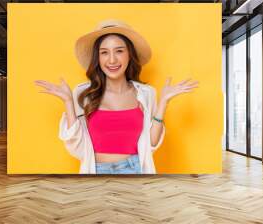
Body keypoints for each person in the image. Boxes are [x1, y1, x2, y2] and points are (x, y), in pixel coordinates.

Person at [34, 19, 198, 174]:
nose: (112, 60)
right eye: (104, 52)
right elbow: (75, 147)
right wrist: (68, 102)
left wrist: (163, 103)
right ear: (98, 58)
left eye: (119, 51)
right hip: (95, 171)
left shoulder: (146, 94)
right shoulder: (83, 95)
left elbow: (152, 144)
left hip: (135, 170)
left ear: (129, 54)